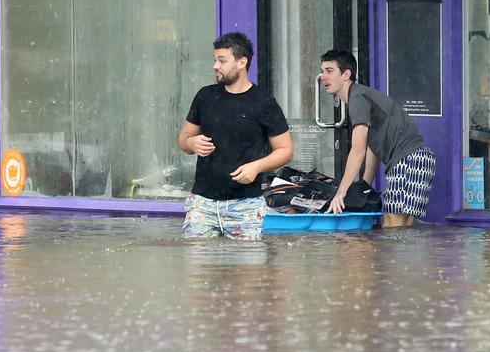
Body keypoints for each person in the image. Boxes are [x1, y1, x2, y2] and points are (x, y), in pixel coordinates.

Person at [177, 32, 293, 240]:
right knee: (197, 271)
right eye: (215, 60)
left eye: (222, 60)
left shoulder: (264, 102)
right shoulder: (205, 96)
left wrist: (256, 166)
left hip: (246, 206)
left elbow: (285, 151)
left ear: (242, 62)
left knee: (247, 272)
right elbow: (183, 139)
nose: (215, 66)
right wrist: (191, 142)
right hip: (202, 204)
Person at [319, 49, 435, 228]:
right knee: (402, 231)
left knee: (392, 226)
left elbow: (357, 151)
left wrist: (340, 193)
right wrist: (365, 185)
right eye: (322, 71)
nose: (323, 77)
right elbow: (372, 145)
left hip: (408, 160)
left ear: (346, 74)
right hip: (419, 160)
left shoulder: (357, 98)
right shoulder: (362, 96)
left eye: (329, 71)